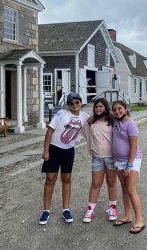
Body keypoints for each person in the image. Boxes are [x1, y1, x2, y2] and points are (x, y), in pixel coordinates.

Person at [39, 92, 89, 225]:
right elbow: (50, 131)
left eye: (77, 102)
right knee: (50, 178)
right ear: (68, 105)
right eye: (71, 103)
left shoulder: (84, 116)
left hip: (69, 150)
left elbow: (98, 118)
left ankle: (66, 209)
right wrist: (46, 150)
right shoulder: (61, 113)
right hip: (54, 148)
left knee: (66, 178)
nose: (74, 105)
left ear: (81, 102)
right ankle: (46, 210)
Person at [81, 98, 118, 223]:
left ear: (106, 108)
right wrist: (91, 117)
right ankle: (90, 210)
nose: (98, 109)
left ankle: (112, 208)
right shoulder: (90, 122)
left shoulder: (113, 121)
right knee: (95, 184)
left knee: (111, 183)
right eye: (96, 107)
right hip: (97, 158)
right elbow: (79, 119)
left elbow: (125, 116)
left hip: (111, 158)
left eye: (101, 106)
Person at [111, 100, 145, 234]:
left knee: (131, 189)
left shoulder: (130, 125)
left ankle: (139, 220)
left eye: (120, 109)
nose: (117, 111)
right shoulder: (116, 121)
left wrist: (128, 165)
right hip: (118, 161)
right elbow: (101, 114)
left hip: (131, 161)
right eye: (114, 110)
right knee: (124, 188)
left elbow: (134, 146)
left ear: (125, 109)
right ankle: (127, 216)